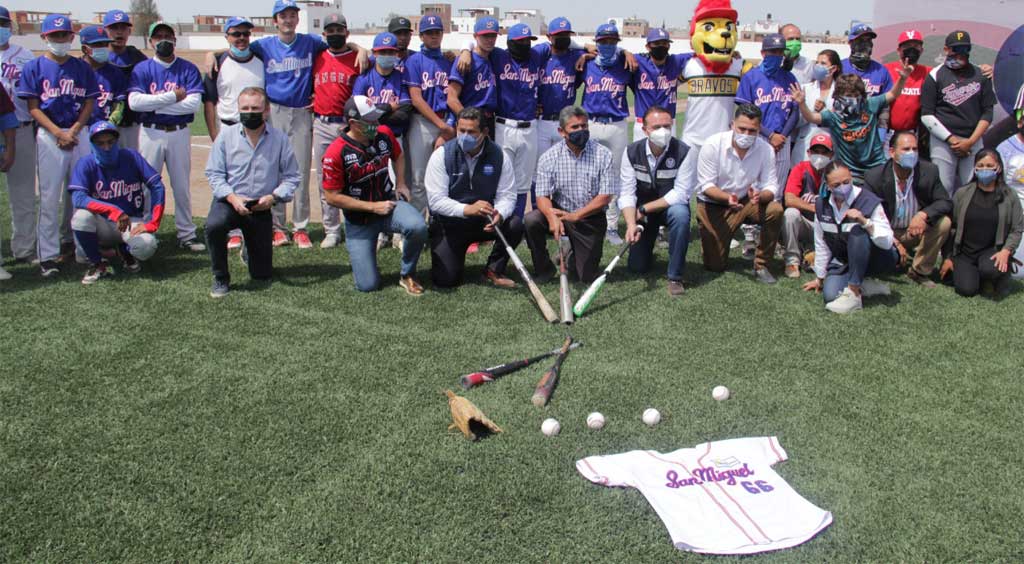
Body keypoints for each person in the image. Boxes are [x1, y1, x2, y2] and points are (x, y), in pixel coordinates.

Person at [18, 14, 98, 276]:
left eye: (63, 35)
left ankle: (83, 249)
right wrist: (57, 133)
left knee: (82, 194)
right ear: (44, 38)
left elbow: (89, 102)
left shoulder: (82, 67)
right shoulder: (34, 67)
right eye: (54, 36)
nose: (59, 39)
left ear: (71, 37)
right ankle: (48, 256)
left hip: (79, 132)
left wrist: (74, 130)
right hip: (49, 134)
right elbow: (33, 107)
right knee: (50, 198)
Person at [321, 95, 427, 294]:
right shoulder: (335, 152)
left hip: (389, 206)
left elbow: (399, 154)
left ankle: (408, 273)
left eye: (376, 118)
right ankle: (364, 260)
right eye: (370, 121)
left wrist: (402, 183)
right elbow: (332, 197)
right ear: (353, 123)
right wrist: (372, 207)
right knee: (367, 285)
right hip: (359, 220)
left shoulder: (384, 133)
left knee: (418, 226)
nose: (376, 124)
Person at [204, 87, 300, 298]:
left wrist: (273, 197)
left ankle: (250, 249)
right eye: (245, 108)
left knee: (261, 275)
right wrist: (232, 197)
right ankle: (220, 277)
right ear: (238, 110)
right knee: (214, 226)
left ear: (266, 110)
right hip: (229, 202)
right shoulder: (225, 136)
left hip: (261, 206)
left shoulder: (279, 139)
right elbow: (214, 173)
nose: (250, 112)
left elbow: (293, 176)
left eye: (255, 108)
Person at [127, 21, 205, 253]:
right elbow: (134, 102)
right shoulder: (142, 69)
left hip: (179, 132)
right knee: (148, 184)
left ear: (175, 39)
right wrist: (172, 97)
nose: (163, 40)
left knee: (181, 186)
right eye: (158, 36)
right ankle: (148, 230)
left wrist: (155, 104)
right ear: (150, 41)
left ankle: (187, 234)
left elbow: (193, 106)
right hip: (150, 132)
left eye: (167, 36)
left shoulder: (188, 68)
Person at [426, 107, 522, 288]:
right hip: (450, 224)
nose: (465, 135)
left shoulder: (500, 156)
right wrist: (466, 209)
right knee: (446, 281)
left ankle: (493, 269)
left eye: (471, 132)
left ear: (485, 133)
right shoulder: (441, 155)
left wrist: (499, 213)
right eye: (461, 130)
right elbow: (435, 201)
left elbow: (507, 195)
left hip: (484, 222)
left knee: (515, 224)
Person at [526, 106, 616, 282]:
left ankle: (571, 253)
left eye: (584, 126)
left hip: (590, 217)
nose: (581, 131)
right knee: (531, 220)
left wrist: (577, 215)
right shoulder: (549, 157)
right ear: (562, 131)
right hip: (560, 212)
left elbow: (605, 196)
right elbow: (542, 196)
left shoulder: (603, 154)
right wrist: (552, 217)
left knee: (585, 276)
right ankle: (544, 269)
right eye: (575, 127)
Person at [695, 104, 782, 283]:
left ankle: (762, 265)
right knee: (715, 266)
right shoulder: (713, 144)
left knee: (775, 210)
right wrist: (727, 198)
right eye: (742, 129)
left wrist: (761, 196)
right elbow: (706, 185)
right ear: (732, 125)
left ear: (759, 129)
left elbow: (771, 185)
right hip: (715, 204)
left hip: (747, 200)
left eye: (752, 130)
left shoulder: (765, 149)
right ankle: (718, 240)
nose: (747, 135)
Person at [68, 121, 164, 284]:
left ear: (116, 141)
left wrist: (153, 223)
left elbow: (157, 186)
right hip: (101, 223)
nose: (106, 147)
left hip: (130, 221)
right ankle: (97, 262)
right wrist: (114, 210)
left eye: (110, 142)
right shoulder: (86, 163)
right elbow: (78, 197)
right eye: (100, 143)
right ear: (92, 144)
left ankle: (124, 251)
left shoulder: (131, 157)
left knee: (146, 246)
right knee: (80, 219)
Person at [202, 16, 265, 251]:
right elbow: (210, 102)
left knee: (256, 178)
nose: (241, 38)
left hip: (257, 128)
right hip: (228, 127)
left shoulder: (261, 58)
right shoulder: (217, 62)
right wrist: (213, 135)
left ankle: (255, 227)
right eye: (235, 34)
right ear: (226, 36)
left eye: (245, 34)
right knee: (228, 179)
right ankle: (233, 229)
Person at [619, 106, 695, 296]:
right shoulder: (631, 152)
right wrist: (630, 224)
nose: (662, 131)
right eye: (656, 127)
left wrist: (644, 209)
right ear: (644, 130)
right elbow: (627, 193)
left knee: (681, 215)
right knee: (637, 268)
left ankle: (675, 276)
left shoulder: (684, 151)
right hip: (643, 215)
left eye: (667, 126)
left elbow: (680, 194)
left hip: (666, 209)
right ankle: (647, 245)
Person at [803, 162, 899, 313]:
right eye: (836, 184)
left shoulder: (868, 200)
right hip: (844, 260)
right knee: (830, 295)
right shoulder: (821, 205)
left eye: (847, 182)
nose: (843, 187)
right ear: (827, 185)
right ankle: (864, 285)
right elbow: (821, 242)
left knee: (857, 231)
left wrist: (865, 222)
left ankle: (854, 293)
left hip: (877, 257)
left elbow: (887, 242)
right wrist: (820, 278)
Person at [863, 130, 952, 287]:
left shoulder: (929, 171)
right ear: (892, 152)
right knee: (885, 262)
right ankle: (891, 257)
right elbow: (867, 213)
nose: (911, 153)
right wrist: (893, 240)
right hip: (888, 232)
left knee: (944, 222)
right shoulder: (874, 176)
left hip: (915, 230)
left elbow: (944, 202)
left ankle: (919, 270)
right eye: (906, 149)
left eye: (915, 149)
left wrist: (923, 215)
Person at [793, 64, 911, 179]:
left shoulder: (869, 104)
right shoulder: (833, 116)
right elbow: (812, 118)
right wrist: (802, 103)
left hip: (876, 166)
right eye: (847, 95)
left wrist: (902, 79)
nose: (852, 99)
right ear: (838, 95)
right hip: (850, 172)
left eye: (855, 94)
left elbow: (893, 94)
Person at [921, 31, 996, 196]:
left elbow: (988, 113)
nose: (960, 53)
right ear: (946, 49)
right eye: (956, 49)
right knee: (943, 188)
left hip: (973, 141)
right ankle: (945, 221)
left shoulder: (980, 75)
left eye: (964, 49)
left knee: (974, 189)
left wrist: (970, 142)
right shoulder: (935, 75)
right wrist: (952, 139)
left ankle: (970, 222)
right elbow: (926, 114)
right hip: (944, 141)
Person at [940, 149, 1023, 298]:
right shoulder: (962, 193)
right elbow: (951, 227)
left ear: (998, 168)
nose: (985, 169)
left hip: (993, 251)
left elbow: (1017, 229)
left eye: (990, 165)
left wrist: (1006, 251)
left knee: (989, 269)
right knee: (967, 290)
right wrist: (947, 258)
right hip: (965, 253)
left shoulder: (1010, 196)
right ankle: (975, 276)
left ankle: (996, 276)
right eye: (981, 165)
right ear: (975, 168)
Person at [309, 13, 361, 250]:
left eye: (339, 30)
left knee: (354, 176)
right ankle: (331, 229)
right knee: (325, 179)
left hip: (347, 125)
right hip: (321, 123)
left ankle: (355, 225)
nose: (335, 34)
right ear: (324, 34)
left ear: (347, 33)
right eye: (330, 31)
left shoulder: (358, 58)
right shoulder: (317, 56)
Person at [582, 23, 635, 245]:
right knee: (587, 174)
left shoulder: (625, 64)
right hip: (592, 124)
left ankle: (611, 226)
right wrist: (583, 54)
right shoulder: (585, 64)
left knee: (614, 177)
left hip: (617, 126)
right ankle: (588, 221)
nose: (607, 45)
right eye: (603, 41)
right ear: (596, 43)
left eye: (612, 41)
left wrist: (626, 52)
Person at [0, 5, 40, 265]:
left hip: (22, 130)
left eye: (2, 24)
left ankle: (24, 248)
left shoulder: (26, 56)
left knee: (24, 194)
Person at [404, 14, 454, 215]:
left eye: (437, 32)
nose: (434, 36)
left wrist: (447, 126)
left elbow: (454, 96)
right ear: (421, 36)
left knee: (444, 179)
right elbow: (416, 98)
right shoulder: (414, 61)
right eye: (429, 33)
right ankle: (417, 229)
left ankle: (439, 228)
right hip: (421, 123)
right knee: (419, 180)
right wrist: (441, 125)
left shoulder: (449, 61)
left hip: (446, 122)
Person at [736, 33, 800, 188]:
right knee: (752, 187)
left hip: (783, 140)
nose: (777, 56)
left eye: (780, 52)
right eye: (773, 52)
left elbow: (795, 111)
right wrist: (770, 135)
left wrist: (782, 137)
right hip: (757, 136)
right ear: (763, 53)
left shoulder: (789, 77)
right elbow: (744, 111)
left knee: (776, 188)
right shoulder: (751, 77)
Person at [782, 132, 834, 278]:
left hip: (827, 226)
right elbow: (789, 200)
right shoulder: (800, 169)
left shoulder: (835, 172)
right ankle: (792, 261)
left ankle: (815, 253)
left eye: (824, 152)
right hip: (806, 223)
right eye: (816, 152)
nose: (820, 156)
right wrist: (815, 208)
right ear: (808, 152)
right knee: (791, 213)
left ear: (831, 155)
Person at [534, 17, 586, 160]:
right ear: (549, 37)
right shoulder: (540, 55)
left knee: (565, 167)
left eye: (566, 35)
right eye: (559, 35)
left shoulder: (576, 56)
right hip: (541, 121)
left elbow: (598, 52)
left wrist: (586, 55)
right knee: (539, 167)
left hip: (566, 121)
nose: (563, 38)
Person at [630, 28, 692, 141]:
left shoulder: (676, 61)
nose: (661, 46)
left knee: (670, 158)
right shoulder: (639, 61)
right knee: (640, 157)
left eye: (664, 43)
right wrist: (625, 53)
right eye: (657, 43)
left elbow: (701, 54)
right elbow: (614, 55)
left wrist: (732, 53)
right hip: (643, 124)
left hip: (668, 123)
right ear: (648, 47)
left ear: (669, 46)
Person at [102, 9, 147, 150]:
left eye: (123, 28)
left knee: (130, 164)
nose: (119, 32)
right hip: (103, 123)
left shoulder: (137, 57)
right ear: (105, 31)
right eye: (114, 28)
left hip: (132, 123)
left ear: (129, 31)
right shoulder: (97, 58)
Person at [446, 17, 498, 132]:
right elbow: (451, 99)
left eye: (493, 36)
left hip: (489, 119)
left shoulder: (495, 57)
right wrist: (468, 122)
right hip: (470, 119)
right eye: (485, 36)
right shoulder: (465, 61)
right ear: (475, 36)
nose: (489, 40)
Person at [885, 30, 932, 158]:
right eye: (907, 46)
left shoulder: (928, 72)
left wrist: (983, 69)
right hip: (888, 133)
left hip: (914, 134)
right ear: (899, 50)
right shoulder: (886, 70)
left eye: (916, 46)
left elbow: (950, 74)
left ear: (922, 50)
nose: (912, 49)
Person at [790, 49, 839, 164]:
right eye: (817, 63)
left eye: (823, 63)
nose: (818, 66)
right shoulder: (805, 89)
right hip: (806, 145)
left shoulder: (840, 91)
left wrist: (824, 112)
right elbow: (796, 122)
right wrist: (810, 110)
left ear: (834, 69)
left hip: (830, 146)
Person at [79, 26, 127, 127]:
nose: (103, 47)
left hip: (104, 130)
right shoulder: (74, 70)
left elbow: (119, 104)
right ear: (85, 48)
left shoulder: (115, 72)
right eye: (98, 44)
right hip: (78, 129)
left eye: (105, 44)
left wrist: (110, 124)